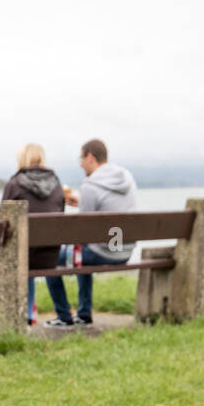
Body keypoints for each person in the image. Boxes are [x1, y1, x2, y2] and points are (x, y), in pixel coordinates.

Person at [59, 139, 138, 326]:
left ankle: (64, 316)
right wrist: (82, 203)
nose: (80, 164)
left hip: (104, 253)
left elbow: (83, 229)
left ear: (90, 157)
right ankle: (83, 312)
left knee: (55, 258)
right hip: (124, 251)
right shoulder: (126, 177)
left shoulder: (90, 185)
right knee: (83, 250)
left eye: (81, 159)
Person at [1, 145, 74, 326]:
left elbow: (2, 222)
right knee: (30, 249)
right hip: (51, 256)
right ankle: (59, 313)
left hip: (24, 256)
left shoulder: (14, 184)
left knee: (22, 252)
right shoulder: (57, 184)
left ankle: (27, 316)